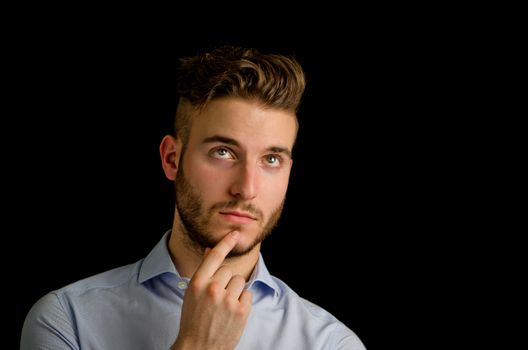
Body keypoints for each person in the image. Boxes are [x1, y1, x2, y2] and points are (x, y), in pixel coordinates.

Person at [21, 45, 366, 350]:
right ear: (172, 159)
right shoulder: (67, 320)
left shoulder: (330, 343)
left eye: (271, 160)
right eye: (223, 152)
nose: (246, 188)